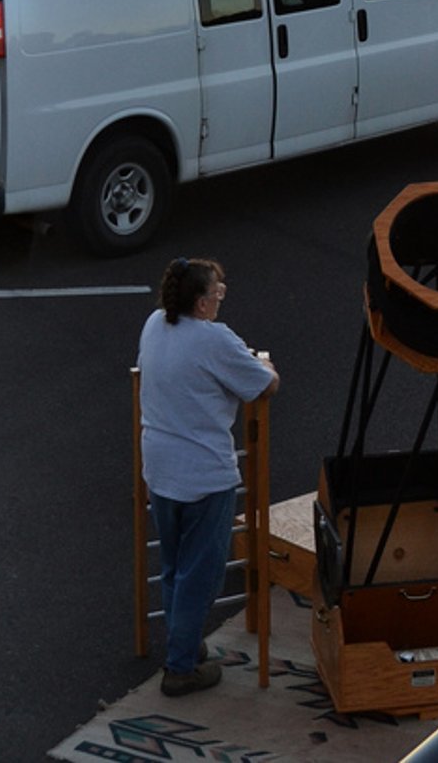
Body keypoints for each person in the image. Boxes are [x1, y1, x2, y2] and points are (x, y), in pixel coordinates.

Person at [137, 258, 278, 698]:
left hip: (159, 467)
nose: (221, 297)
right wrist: (269, 367)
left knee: (175, 564)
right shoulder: (213, 338)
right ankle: (180, 668)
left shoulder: (155, 324)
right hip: (203, 473)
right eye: (217, 292)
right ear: (201, 304)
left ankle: (184, 643)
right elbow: (263, 385)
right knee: (203, 572)